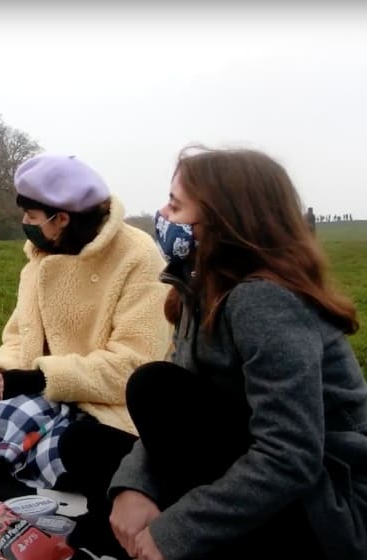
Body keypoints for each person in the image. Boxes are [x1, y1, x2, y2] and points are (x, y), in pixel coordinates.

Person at [109, 147, 367, 560]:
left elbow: (291, 455)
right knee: (90, 443)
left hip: (331, 512)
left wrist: (176, 531)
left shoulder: (263, 301)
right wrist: (132, 487)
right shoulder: (200, 289)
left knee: (153, 387)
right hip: (266, 471)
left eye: (175, 204)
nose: (162, 214)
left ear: (222, 220)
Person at [0, 154, 173, 558]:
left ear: (62, 219)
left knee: (88, 445)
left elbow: (134, 366)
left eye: (33, 216)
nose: (26, 226)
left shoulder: (138, 259)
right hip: (45, 392)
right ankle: (36, 456)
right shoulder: (38, 260)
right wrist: (0, 373)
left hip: (108, 402)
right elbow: (19, 336)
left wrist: (40, 378)